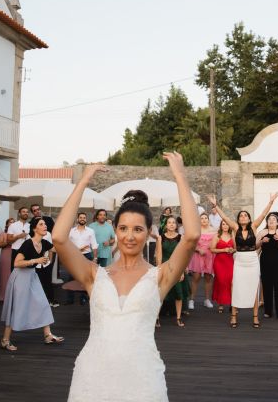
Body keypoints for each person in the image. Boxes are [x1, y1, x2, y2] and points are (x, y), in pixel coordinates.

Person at [53, 152, 199, 401]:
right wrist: (83, 181)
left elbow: (192, 236)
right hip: (92, 377)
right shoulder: (93, 274)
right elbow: (58, 238)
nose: (130, 236)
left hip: (142, 379)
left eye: (138, 229)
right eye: (123, 228)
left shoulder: (161, 276)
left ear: (148, 232)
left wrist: (180, 176)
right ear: (115, 229)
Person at [207, 193, 278, 329]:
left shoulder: (254, 226)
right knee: (236, 287)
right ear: (238, 219)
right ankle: (233, 316)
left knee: (254, 287)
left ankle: (255, 317)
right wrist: (215, 206)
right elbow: (225, 217)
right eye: (241, 216)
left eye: (246, 215)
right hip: (239, 260)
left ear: (249, 218)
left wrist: (270, 202)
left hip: (252, 260)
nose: (243, 217)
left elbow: (264, 214)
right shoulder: (235, 227)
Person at [0, 217, 63, 351]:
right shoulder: (28, 244)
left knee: (43, 303)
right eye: (41, 224)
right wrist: (36, 260)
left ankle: (48, 335)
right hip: (20, 277)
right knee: (16, 307)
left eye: (45, 224)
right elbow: (16, 263)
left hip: (32, 276)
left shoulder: (45, 243)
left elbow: (59, 249)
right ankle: (5, 340)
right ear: (35, 228)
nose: (45, 226)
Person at [155, 216, 191, 327]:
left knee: (178, 294)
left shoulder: (181, 238)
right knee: (160, 293)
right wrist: (159, 271)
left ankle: (179, 317)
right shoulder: (160, 238)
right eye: (169, 222)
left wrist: (181, 271)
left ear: (176, 225)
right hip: (165, 267)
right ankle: (156, 318)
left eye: (173, 223)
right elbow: (159, 257)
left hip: (177, 267)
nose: (171, 224)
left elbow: (184, 255)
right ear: (165, 225)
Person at [257, 212, 278, 321]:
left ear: (277, 222)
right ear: (267, 222)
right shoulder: (262, 232)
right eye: (269, 219)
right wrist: (262, 241)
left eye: (274, 219)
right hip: (265, 261)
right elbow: (255, 246)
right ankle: (268, 311)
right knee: (266, 286)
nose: (271, 220)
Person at [66, 212, 98, 305]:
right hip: (74, 256)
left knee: (86, 278)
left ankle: (83, 298)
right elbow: (67, 244)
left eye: (84, 217)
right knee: (71, 277)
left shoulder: (90, 231)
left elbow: (94, 245)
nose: (82, 219)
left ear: (86, 219)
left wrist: (95, 258)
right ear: (77, 219)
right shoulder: (71, 231)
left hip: (86, 256)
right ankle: (69, 300)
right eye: (81, 217)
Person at [187, 213, 217, 310]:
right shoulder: (196, 231)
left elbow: (216, 242)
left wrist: (209, 247)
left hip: (209, 255)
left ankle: (207, 300)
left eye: (206, 218)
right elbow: (190, 244)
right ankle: (191, 300)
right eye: (202, 218)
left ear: (208, 220)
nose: (204, 220)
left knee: (208, 278)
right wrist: (199, 249)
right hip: (198, 255)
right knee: (196, 277)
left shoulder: (214, 231)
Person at [209, 219, 235, 314]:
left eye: (227, 224)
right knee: (221, 281)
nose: (225, 226)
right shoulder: (217, 236)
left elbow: (236, 248)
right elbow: (212, 249)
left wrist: (233, 250)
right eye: (223, 224)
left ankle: (232, 304)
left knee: (231, 282)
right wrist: (224, 249)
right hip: (219, 262)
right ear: (221, 226)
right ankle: (221, 303)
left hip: (230, 261)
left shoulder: (232, 236)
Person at [0, 218, 14, 302]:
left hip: (16, 254)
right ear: (7, 225)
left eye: (14, 222)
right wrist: (8, 242)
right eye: (10, 222)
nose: (12, 224)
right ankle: (3, 295)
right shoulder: (3, 234)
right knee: (5, 274)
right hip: (6, 254)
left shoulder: (17, 234)